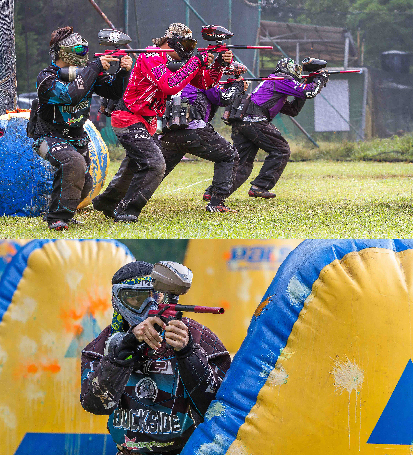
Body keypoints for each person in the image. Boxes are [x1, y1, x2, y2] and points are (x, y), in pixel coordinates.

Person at [80, 261, 231, 454]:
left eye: (154, 296)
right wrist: (124, 350)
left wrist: (188, 352)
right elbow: (96, 405)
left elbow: (220, 408)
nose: (148, 306)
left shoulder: (196, 336)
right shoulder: (103, 345)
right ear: (119, 300)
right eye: (136, 298)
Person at [92, 23, 225, 221]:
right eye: (187, 45)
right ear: (173, 43)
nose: (190, 50)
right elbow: (169, 85)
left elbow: (205, 83)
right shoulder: (151, 56)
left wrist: (218, 65)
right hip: (128, 118)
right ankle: (127, 209)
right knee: (155, 164)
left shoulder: (171, 62)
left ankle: (107, 202)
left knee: (135, 165)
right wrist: (195, 62)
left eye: (192, 46)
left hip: (146, 122)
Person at [29, 26, 131, 230]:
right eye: (79, 51)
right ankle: (57, 218)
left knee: (84, 184)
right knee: (72, 162)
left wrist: (122, 73)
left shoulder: (87, 74)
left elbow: (114, 92)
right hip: (48, 137)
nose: (84, 55)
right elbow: (70, 95)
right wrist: (93, 68)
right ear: (64, 52)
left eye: (85, 51)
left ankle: (60, 209)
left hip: (77, 138)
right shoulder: (46, 78)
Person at [223, 57, 328, 199]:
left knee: (243, 164)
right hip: (254, 120)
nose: (298, 72)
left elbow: (292, 110)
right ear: (287, 68)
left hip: (243, 122)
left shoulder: (273, 83)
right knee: (281, 150)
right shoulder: (282, 79)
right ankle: (260, 186)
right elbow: (309, 92)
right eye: (295, 69)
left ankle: (216, 193)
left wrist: (308, 83)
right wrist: (320, 78)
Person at [159, 56, 240, 212]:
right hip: (193, 129)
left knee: (157, 169)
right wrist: (236, 86)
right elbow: (223, 99)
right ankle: (216, 203)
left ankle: (125, 199)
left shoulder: (173, 80)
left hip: (168, 131)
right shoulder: (201, 78)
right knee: (229, 155)